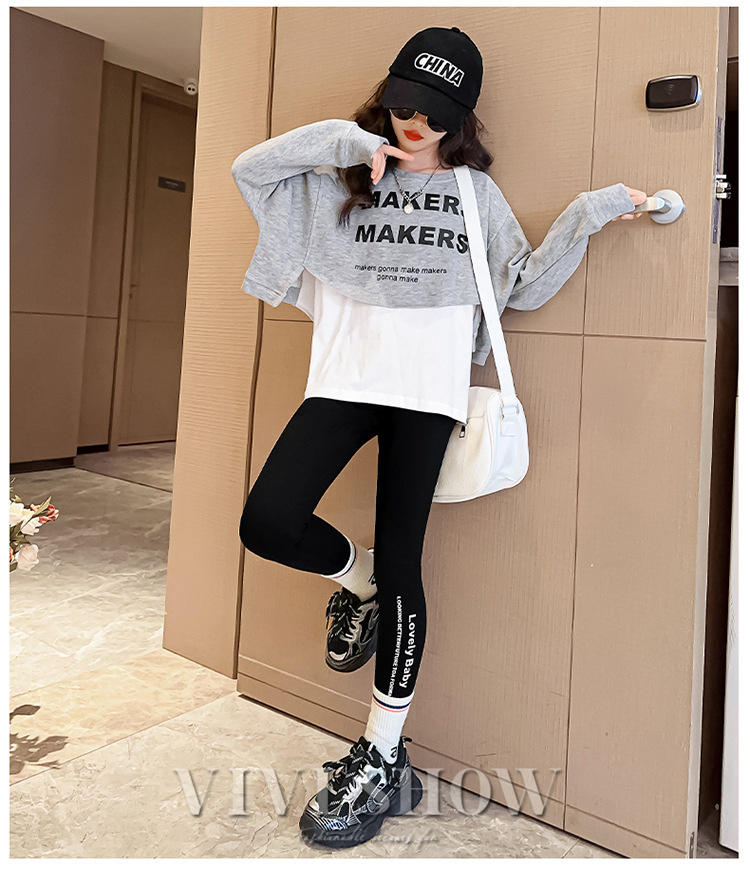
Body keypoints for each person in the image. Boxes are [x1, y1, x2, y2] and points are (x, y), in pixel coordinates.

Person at [232, 26, 646, 850]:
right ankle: (356, 579)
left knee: (407, 567)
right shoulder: (338, 173)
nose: (415, 122)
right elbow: (250, 170)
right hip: (343, 381)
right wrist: (348, 143)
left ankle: (384, 753)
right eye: (404, 103)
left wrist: (594, 211)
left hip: (425, 397)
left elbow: (523, 285)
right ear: (386, 96)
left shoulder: (472, 194)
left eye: (435, 112)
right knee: (268, 521)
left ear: (463, 120)